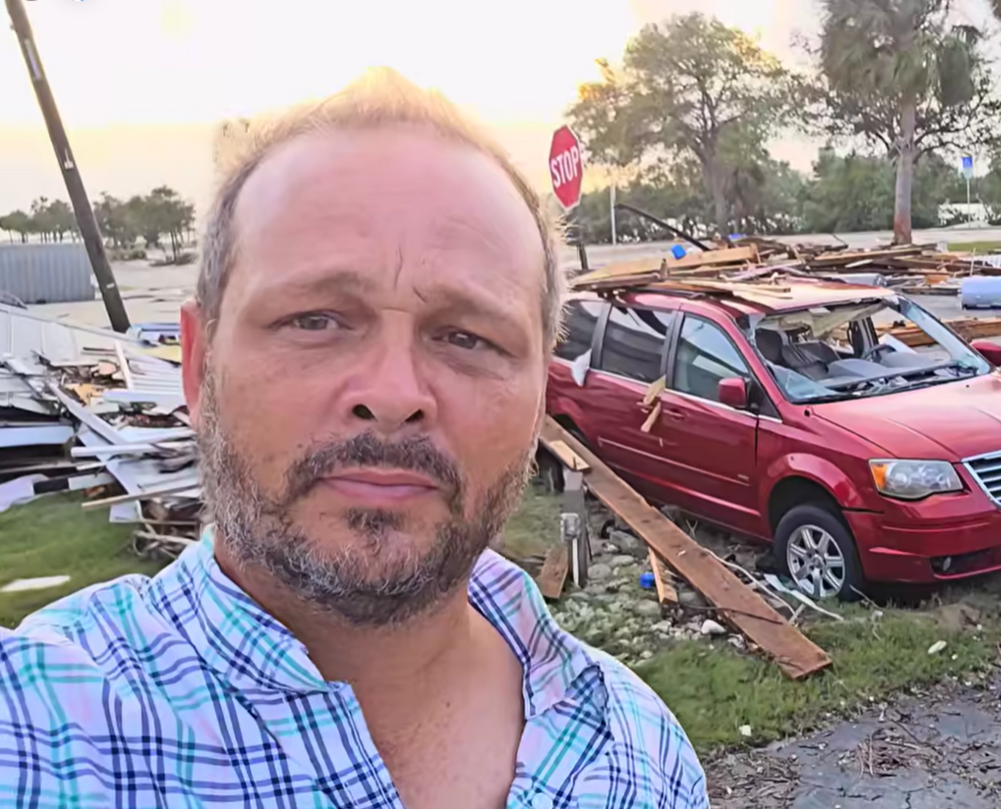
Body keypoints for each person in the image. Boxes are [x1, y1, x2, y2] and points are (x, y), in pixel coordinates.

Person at [0, 69, 707, 808]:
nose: (395, 394)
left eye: (467, 335)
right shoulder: (45, 728)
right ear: (200, 366)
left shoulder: (639, 754)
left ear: (540, 398)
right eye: (316, 319)